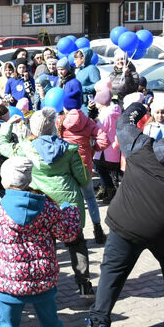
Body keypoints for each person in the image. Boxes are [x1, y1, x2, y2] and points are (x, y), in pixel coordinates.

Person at [79, 103, 164, 327]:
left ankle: (98, 325)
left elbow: (123, 123)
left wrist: (139, 106)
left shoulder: (142, 148)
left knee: (112, 272)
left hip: (126, 225)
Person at [0, 156, 79, 327]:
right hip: (43, 282)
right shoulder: (48, 208)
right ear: (28, 180)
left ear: (5, 181)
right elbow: (68, 234)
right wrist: (70, 209)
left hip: (9, 285)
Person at [0, 107, 95, 298]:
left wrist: (7, 126)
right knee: (76, 242)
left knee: (45, 244)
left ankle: (47, 285)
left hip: (41, 202)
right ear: (52, 128)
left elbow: (2, 146)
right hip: (68, 202)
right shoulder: (69, 149)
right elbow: (83, 179)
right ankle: (84, 285)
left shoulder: (24, 149)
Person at [56, 88, 110, 244]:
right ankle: (98, 229)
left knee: (69, 200)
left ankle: (72, 232)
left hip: (66, 167)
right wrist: (93, 149)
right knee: (90, 199)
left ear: (65, 106)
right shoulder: (88, 121)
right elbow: (104, 141)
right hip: (85, 166)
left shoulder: (59, 121)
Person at [92, 88, 123, 205]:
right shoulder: (116, 111)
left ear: (101, 102)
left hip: (104, 148)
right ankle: (108, 190)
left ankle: (111, 192)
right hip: (114, 148)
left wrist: (93, 124)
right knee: (111, 171)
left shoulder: (105, 115)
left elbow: (99, 129)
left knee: (102, 169)